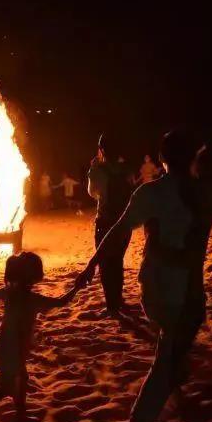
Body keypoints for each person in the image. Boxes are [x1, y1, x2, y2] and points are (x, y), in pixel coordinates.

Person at [77, 131, 212, 422]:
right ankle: (140, 420)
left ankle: (173, 375)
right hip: (171, 288)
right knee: (169, 351)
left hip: (157, 287)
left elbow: (118, 230)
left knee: (179, 333)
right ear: (195, 157)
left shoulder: (153, 192)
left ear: (161, 159)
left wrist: (91, 266)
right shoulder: (206, 192)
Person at [0, 252, 81, 422]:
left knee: (21, 381)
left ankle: (20, 415)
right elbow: (61, 302)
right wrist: (77, 288)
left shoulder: (9, 293)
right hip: (11, 350)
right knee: (7, 388)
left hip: (6, 347)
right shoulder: (31, 299)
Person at [87, 133, 132, 318]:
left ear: (102, 149)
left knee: (106, 264)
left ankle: (111, 306)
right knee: (118, 260)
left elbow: (93, 193)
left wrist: (93, 169)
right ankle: (118, 299)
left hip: (105, 221)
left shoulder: (98, 170)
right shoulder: (126, 169)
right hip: (124, 221)